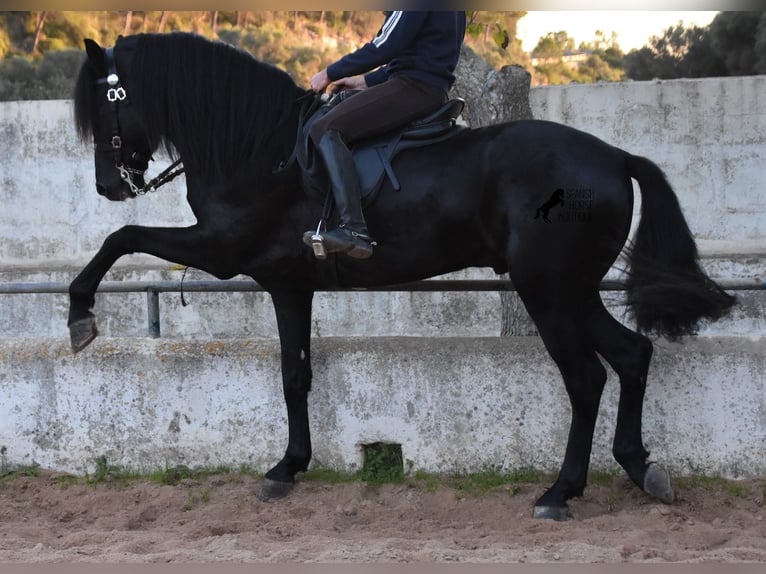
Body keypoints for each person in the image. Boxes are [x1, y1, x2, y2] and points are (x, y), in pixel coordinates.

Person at [303, 10, 467, 259]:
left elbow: (386, 45)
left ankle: (353, 230)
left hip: (412, 87)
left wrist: (330, 72)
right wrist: (364, 81)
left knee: (326, 128)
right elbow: (417, 52)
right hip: (424, 86)